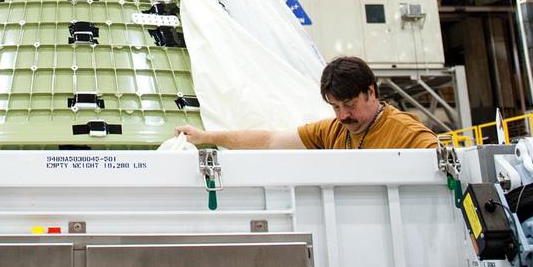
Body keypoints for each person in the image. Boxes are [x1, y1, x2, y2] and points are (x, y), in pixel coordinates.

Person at [174, 55, 437, 150]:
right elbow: (268, 141)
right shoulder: (333, 131)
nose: (343, 115)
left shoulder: (406, 133)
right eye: (335, 107)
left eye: (349, 103)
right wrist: (206, 136)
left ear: (371, 92)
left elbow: (449, 168)